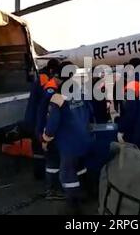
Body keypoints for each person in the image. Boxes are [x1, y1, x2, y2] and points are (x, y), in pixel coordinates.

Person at [41, 61, 93, 214]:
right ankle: (86, 192)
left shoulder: (58, 96)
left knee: (67, 174)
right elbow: (89, 112)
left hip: (69, 143)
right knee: (80, 168)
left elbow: (52, 124)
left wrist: (45, 139)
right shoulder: (80, 91)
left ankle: (74, 206)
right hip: (84, 138)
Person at [23, 58, 60, 180]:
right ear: (51, 70)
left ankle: (40, 174)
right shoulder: (45, 81)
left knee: (38, 149)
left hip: (33, 117)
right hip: (36, 119)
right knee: (40, 149)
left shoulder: (42, 77)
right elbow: (47, 100)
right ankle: (41, 176)